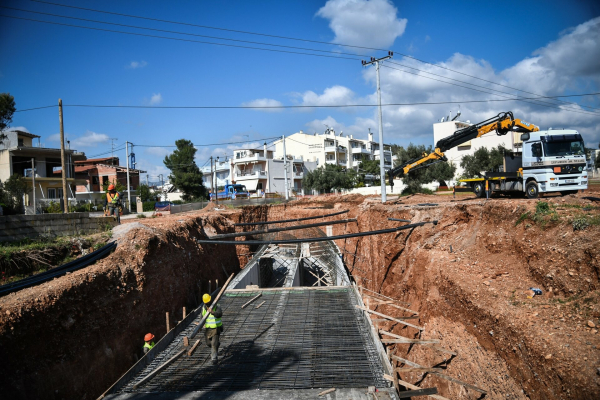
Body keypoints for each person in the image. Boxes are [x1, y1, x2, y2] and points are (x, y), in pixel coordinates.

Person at [201, 293, 223, 364]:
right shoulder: (204, 308)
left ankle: (214, 359)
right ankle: (217, 344)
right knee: (208, 343)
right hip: (208, 329)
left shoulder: (216, 306)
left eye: (209, 302)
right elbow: (202, 317)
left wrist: (213, 312)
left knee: (213, 344)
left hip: (216, 328)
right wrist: (202, 324)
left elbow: (219, 314)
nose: (208, 304)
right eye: (206, 303)